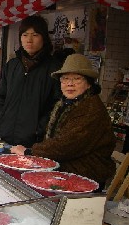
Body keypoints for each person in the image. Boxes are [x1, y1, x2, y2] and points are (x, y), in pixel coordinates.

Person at [11, 54, 116, 187]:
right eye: (65, 79)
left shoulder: (91, 108)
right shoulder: (67, 103)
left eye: (77, 79)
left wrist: (30, 151)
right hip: (66, 171)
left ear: (89, 84)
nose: (70, 84)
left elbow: (66, 145)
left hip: (85, 177)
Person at [0, 14, 62, 147]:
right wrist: (1, 120)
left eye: (35, 35)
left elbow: (57, 105)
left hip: (35, 142)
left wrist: (39, 129)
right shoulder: (12, 65)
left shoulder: (55, 68)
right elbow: (1, 97)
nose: (29, 40)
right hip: (6, 136)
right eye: (25, 35)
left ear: (44, 38)